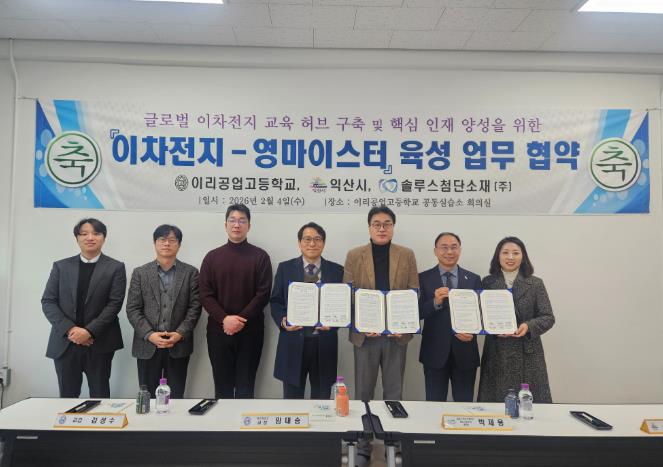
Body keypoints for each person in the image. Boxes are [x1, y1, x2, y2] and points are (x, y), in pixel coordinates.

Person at [41, 218, 126, 398]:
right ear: (77, 238)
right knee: (67, 397)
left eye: (96, 233)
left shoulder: (115, 267)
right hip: (65, 342)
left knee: (100, 395)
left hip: (99, 341)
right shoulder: (61, 266)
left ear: (104, 238)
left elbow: (114, 304)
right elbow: (48, 301)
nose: (90, 237)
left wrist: (88, 332)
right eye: (84, 233)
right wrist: (71, 330)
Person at [199, 204, 272, 399]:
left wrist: (239, 320)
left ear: (249, 226)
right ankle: (223, 421)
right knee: (222, 388)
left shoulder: (260, 257)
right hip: (219, 331)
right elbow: (205, 294)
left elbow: (263, 293)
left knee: (246, 388)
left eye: (242, 221)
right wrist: (225, 319)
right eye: (232, 220)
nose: (237, 225)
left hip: (251, 332)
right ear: (225, 225)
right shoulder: (212, 257)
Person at [126, 224, 202, 398]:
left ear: (179, 244)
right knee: (147, 398)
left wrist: (180, 333)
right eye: (162, 239)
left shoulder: (190, 273)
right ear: (154, 243)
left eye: (172, 240)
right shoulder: (140, 273)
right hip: (147, 344)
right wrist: (150, 334)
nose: (167, 243)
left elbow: (195, 307)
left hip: (178, 344)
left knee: (176, 397)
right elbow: (133, 308)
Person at [270, 222, 344, 399]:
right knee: (292, 400)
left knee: (322, 400)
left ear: (323, 243)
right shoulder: (285, 268)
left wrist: (334, 324)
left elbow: (343, 305)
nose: (312, 243)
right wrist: (283, 321)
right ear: (299, 243)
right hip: (293, 343)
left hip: (324, 344)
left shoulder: (337, 270)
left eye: (317, 239)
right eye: (307, 239)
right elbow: (276, 301)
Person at [477, 236, 555, 403]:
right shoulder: (487, 282)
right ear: (498, 256)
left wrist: (528, 326)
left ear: (523, 256)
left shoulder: (535, 283)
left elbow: (548, 317)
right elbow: (480, 316)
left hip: (527, 354)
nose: (510, 257)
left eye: (515, 253)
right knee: (496, 406)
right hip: (497, 353)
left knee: (529, 407)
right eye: (505, 252)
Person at [419, 232, 481, 402]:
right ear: (435, 251)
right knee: (434, 405)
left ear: (460, 250)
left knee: (464, 406)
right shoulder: (423, 278)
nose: (449, 252)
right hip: (434, 353)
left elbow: (481, 314)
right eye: (444, 247)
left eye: (454, 247)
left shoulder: (474, 279)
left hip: (465, 353)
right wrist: (435, 302)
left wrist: (473, 332)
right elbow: (416, 313)